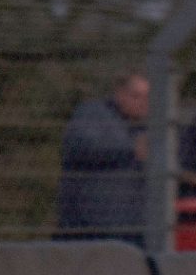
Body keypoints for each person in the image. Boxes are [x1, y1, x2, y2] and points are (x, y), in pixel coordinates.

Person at [57, 71, 149, 245]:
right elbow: (82, 147)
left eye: (148, 97)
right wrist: (130, 150)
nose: (143, 103)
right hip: (93, 224)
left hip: (134, 225)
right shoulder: (93, 113)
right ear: (119, 94)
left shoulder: (148, 126)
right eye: (136, 96)